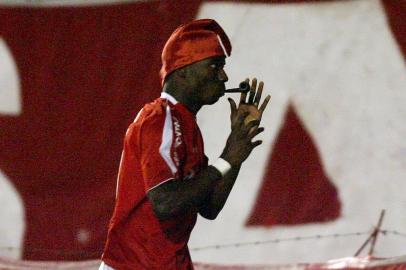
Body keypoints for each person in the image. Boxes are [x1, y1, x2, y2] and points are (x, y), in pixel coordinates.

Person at [99, 19, 270, 270]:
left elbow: (209, 206)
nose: (224, 76)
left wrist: (236, 147)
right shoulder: (158, 119)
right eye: (215, 66)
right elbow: (166, 203)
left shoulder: (185, 125)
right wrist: (227, 159)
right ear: (184, 70)